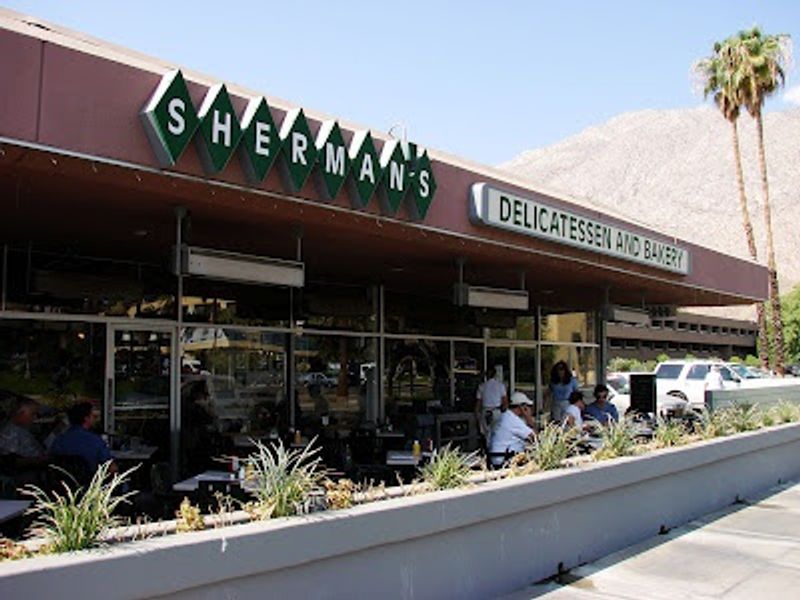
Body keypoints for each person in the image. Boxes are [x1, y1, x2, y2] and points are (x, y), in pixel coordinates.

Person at [51, 402, 116, 474]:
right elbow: (111, 468)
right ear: (86, 418)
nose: (95, 420)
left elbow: (51, 462)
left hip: (63, 481)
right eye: (94, 416)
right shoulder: (95, 441)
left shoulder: (59, 440)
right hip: (90, 482)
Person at [489, 391, 536, 466]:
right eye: (527, 406)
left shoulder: (506, 416)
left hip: (498, 456)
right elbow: (534, 437)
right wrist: (528, 418)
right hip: (506, 458)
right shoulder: (512, 420)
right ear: (521, 407)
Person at [0, 397, 47, 466]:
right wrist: (41, 460)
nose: (35, 417)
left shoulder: (21, 426)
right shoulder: (10, 433)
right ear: (20, 414)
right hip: (28, 470)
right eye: (32, 414)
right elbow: (11, 462)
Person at [475, 366, 508, 442]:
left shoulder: (482, 386)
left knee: (486, 433)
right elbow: (505, 402)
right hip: (496, 411)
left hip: (485, 411)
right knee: (497, 432)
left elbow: (478, 403)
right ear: (495, 374)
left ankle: (488, 448)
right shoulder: (500, 386)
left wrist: (477, 415)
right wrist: (504, 413)